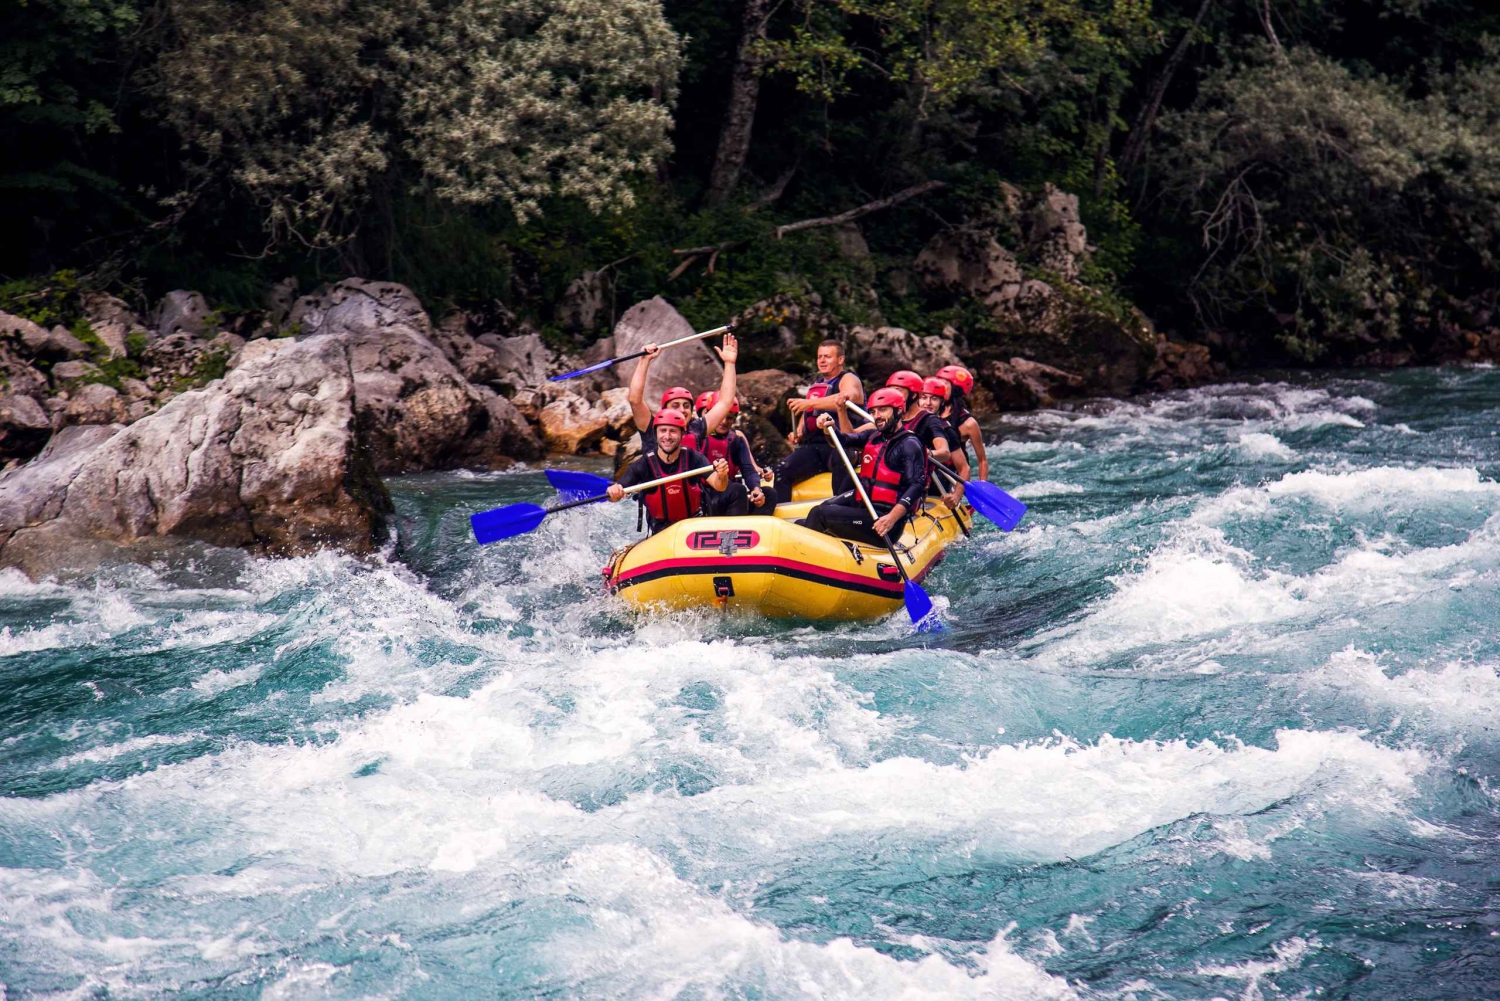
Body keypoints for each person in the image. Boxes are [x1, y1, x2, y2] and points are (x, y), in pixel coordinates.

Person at [797, 388, 927, 547]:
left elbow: (917, 485)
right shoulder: (873, 436)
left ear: (899, 410)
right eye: (873, 411)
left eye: (883, 410)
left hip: (883, 521)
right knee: (811, 516)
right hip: (864, 505)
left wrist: (892, 518)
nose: (877, 416)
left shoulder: (909, 444)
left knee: (819, 514)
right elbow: (842, 440)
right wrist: (828, 427)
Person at [607, 409, 730, 534]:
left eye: (673, 431)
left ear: (682, 434)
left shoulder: (694, 458)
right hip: (661, 530)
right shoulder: (643, 464)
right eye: (663, 431)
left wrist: (722, 474)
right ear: (656, 434)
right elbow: (616, 493)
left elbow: (720, 486)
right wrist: (614, 491)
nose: (667, 436)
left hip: (694, 524)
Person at [776, 339, 864, 498]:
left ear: (840, 360)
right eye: (819, 357)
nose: (822, 361)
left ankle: (838, 508)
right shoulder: (817, 384)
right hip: (816, 447)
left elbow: (847, 397)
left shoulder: (848, 379)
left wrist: (809, 403)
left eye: (827, 357)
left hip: (841, 445)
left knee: (841, 458)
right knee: (782, 470)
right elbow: (808, 412)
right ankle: (781, 513)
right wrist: (799, 431)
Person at [627, 331, 740, 455]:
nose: (682, 410)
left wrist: (729, 364)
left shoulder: (697, 428)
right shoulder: (651, 429)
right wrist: (644, 360)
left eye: (686, 406)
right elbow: (635, 400)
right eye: (675, 405)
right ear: (664, 410)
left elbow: (725, 403)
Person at [684, 392, 774, 516]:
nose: (724, 421)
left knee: (769, 494)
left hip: (724, 496)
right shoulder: (696, 437)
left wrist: (756, 489)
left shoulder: (736, 440)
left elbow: (748, 469)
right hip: (701, 498)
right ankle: (733, 532)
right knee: (737, 490)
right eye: (722, 416)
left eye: (730, 417)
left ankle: (754, 531)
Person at [917, 376, 969, 510]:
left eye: (934, 398)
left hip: (937, 489)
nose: (927, 403)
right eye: (924, 397)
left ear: (941, 402)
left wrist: (956, 496)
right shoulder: (903, 424)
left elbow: (964, 468)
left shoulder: (946, 429)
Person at [934, 364, 988, 483]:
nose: (940, 388)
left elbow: (982, 460)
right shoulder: (930, 411)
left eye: (945, 384)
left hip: (951, 479)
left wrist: (983, 487)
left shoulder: (969, 423)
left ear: (956, 390)